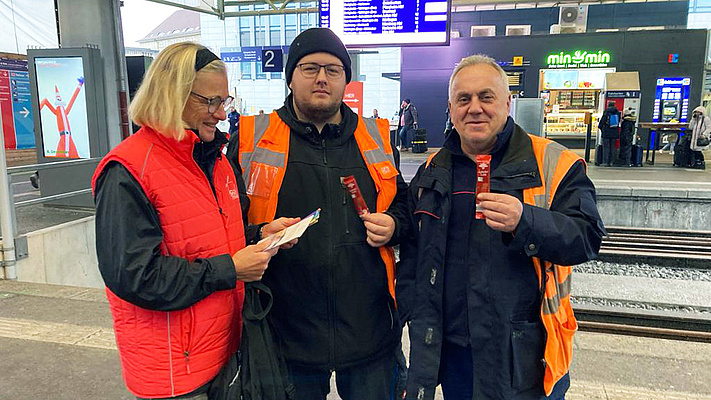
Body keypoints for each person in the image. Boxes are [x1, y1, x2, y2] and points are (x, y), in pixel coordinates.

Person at [92, 42, 298, 400]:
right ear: (171, 95)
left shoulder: (217, 161)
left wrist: (260, 235)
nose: (221, 114)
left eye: (225, 101)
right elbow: (135, 276)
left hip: (226, 350)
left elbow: (215, 238)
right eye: (210, 102)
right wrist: (231, 269)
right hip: (174, 371)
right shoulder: (127, 171)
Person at [397, 54, 606, 400]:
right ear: (451, 108)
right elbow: (414, 247)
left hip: (524, 360)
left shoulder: (553, 162)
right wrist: (411, 307)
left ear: (508, 103)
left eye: (486, 97)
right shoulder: (433, 168)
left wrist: (526, 221)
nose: (474, 108)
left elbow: (586, 238)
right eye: (463, 99)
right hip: (452, 355)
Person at [236, 28, 409, 400]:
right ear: (291, 77)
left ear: (345, 79)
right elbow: (224, 222)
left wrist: (395, 225)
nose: (321, 78)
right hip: (284, 335)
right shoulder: (251, 139)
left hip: (370, 334)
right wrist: (259, 233)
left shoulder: (376, 137)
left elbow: (404, 205)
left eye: (332, 70)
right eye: (309, 67)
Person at [598, 101, 621, 167]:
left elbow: (602, 122)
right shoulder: (617, 113)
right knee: (612, 147)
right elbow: (618, 122)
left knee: (606, 147)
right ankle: (611, 162)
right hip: (614, 133)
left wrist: (600, 127)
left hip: (606, 132)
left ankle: (605, 162)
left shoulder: (606, 112)